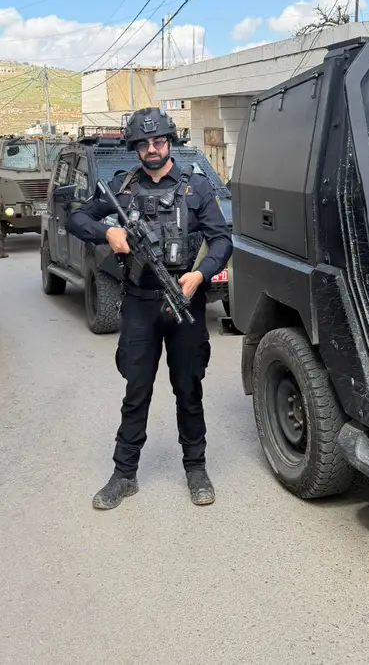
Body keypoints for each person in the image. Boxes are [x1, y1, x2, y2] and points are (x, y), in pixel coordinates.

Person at [66, 107, 232, 511]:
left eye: (158, 141)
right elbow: (76, 218)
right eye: (144, 144)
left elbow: (222, 240)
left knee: (188, 388)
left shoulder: (196, 189)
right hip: (140, 305)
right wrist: (108, 231)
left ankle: (196, 469)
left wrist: (200, 275)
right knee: (136, 390)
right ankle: (124, 474)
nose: (152, 149)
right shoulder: (121, 188)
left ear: (169, 142)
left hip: (184, 300)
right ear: (135, 148)